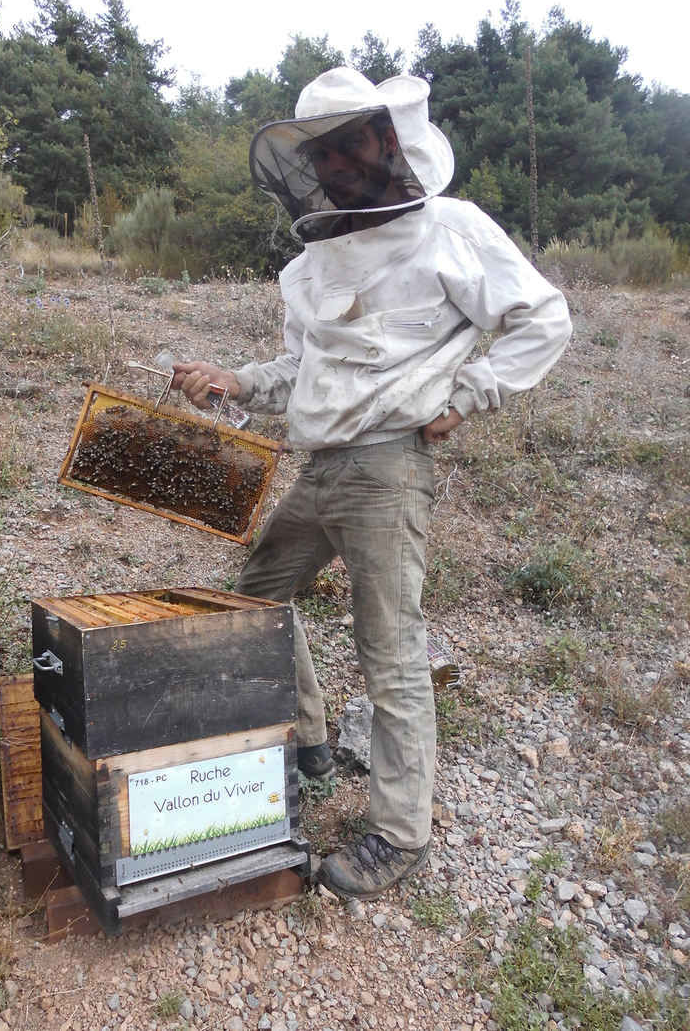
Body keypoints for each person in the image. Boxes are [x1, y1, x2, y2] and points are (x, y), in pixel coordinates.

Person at [171, 67, 572, 900]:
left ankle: (400, 833)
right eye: (322, 151)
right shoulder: (315, 263)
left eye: (351, 142)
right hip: (322, 466)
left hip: (391, 467)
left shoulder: (450, 228)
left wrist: (467, 398)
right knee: (258, 596)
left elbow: (544, 317)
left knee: (388, 646)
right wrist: (234, 380)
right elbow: (301, 368)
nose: (337, 163)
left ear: (390, 141)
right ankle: (310, 737)